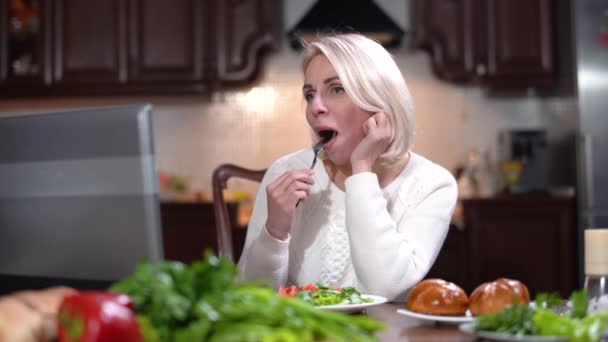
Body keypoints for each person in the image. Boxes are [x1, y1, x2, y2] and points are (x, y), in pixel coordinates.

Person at [238, 33, 457, 301]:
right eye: (309, 94)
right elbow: (248, 298)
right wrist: (275, 230)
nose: (315, 107)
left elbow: (385, 288)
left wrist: (362, 169)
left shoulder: (432, 184)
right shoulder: (284, 171)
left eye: (337, 89)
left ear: (379, 101)